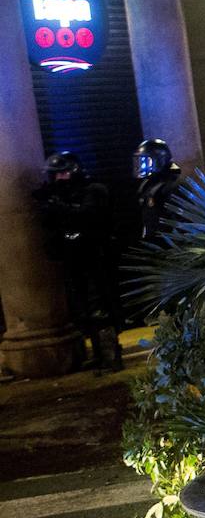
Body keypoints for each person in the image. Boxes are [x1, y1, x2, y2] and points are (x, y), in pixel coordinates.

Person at [34, 152, 122, 371]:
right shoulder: (63, 195)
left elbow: (88, 216)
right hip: (73, 259)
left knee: (98, 307)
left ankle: (111, 355)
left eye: (61, 174)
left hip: (94, 257)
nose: (57, 179)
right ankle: (99, 354)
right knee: (82, 309)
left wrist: (59, 206)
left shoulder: (93, 190)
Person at [134, 138, 181, 242]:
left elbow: (179, 222)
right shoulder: (147, 185)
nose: (142, 166)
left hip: (168, 246)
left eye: (146, 161)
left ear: (159, 160)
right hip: (152, 242)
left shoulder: (172, 187)